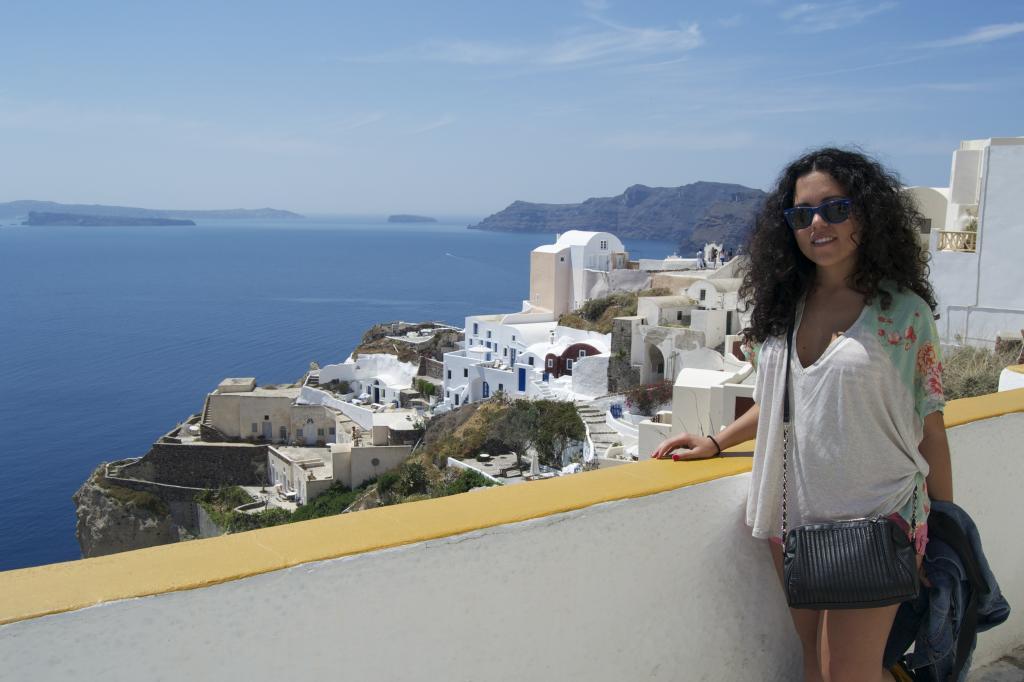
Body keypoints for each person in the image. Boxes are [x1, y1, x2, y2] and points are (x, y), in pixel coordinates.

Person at [652, 148, 953, 682]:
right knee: (814, 663)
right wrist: (718, 442)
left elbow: (930, 423)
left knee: (848, 673)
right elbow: (784, 401)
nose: (818, 223)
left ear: (867, 213)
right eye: (802, 214)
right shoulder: (782, 306)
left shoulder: (902, 313)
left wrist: (948, 527)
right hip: (792, 516)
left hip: (877, 516)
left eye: (836, 209)